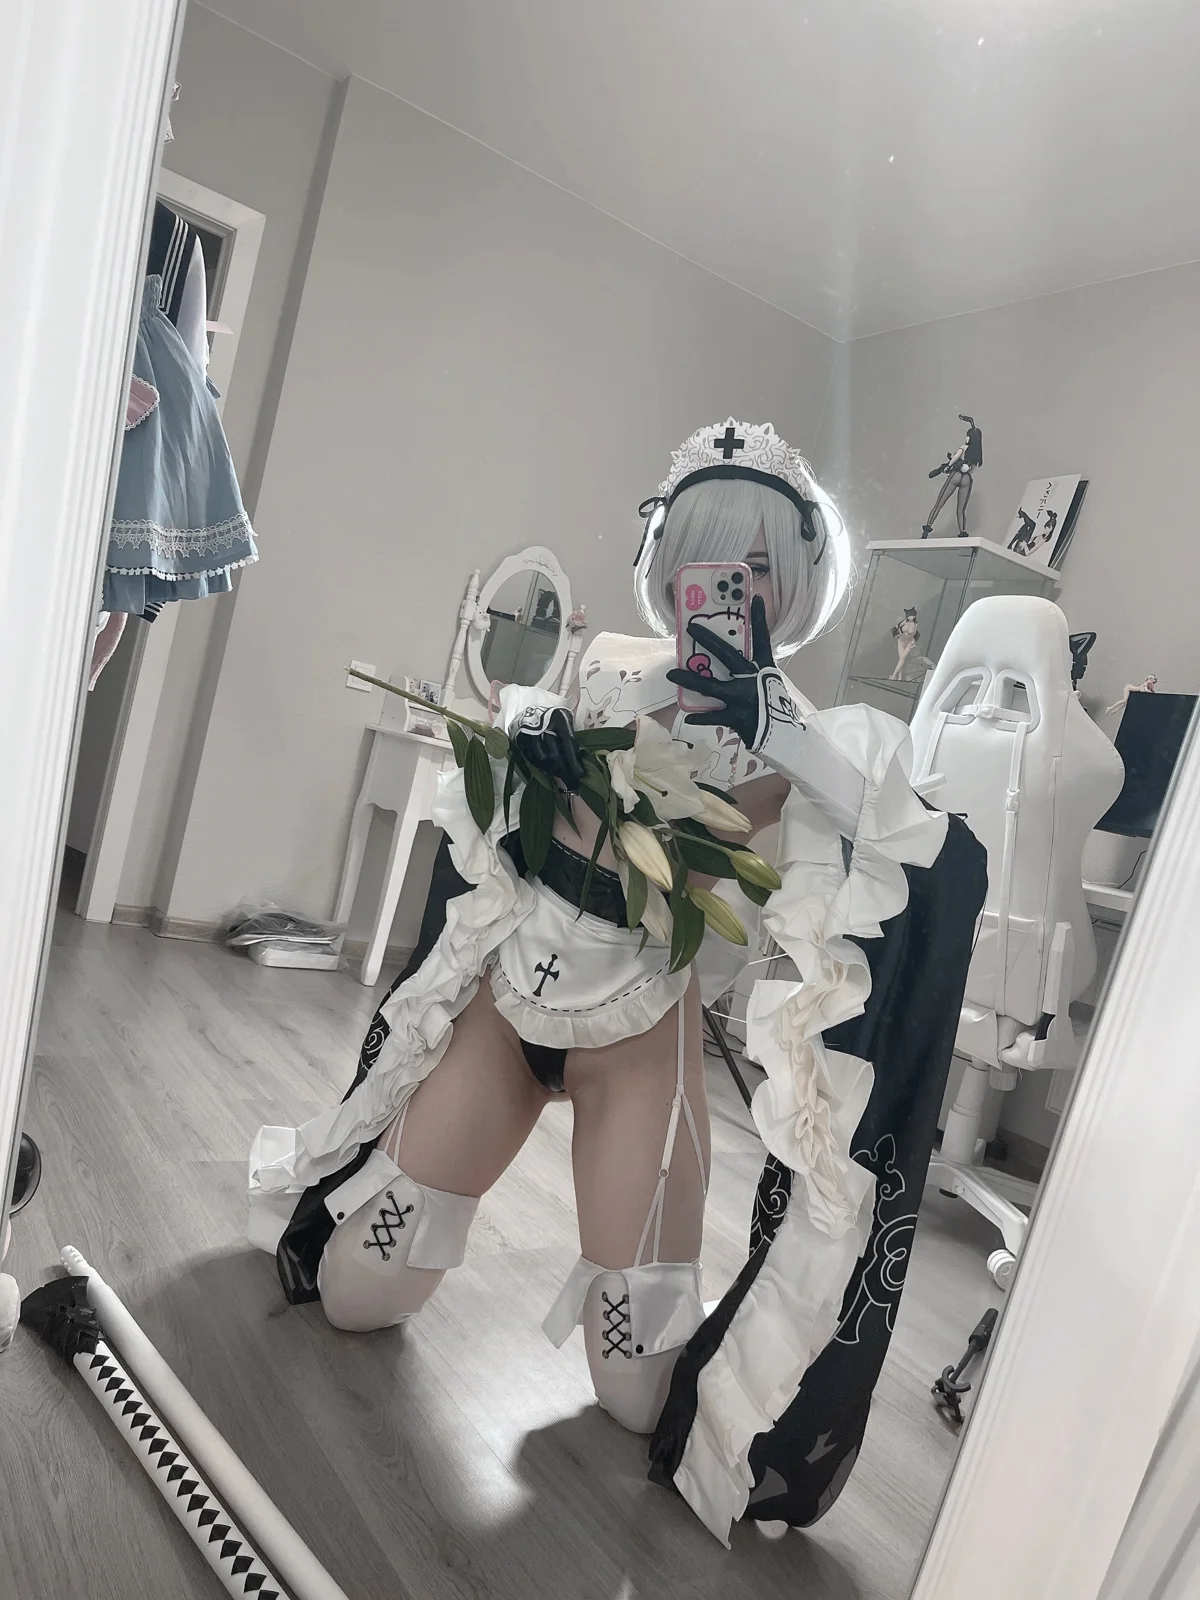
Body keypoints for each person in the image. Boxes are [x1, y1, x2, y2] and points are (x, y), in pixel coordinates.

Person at [248, 419, 984, 1543]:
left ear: (793, 582)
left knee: (636, 1390)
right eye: (702, 560)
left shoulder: (810, 740)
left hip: (640, 1038)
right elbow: (516, 770)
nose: (725, 591)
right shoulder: (603, 672)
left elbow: (911, 842)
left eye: (755, 569)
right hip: (509, 1008)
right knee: (354, 1296)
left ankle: (666, 1294)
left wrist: (783, 734)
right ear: (664, 562)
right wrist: (537, 733)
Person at [922, 413, 983, 537]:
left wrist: (948, 466)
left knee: (939, 504)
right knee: (961, 510)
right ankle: (962, 532)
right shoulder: (978, 455)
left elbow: (955, 458)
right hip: (966, 479)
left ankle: (926, 529)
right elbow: (972, 470)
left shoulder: (964, 447)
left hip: (956, 475)